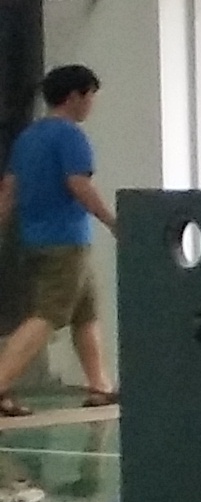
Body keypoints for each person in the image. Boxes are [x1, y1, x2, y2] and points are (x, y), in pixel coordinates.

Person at [0, 67, 117, 414]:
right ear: (75, 96)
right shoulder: (71, 136)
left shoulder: (28, 138)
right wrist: (113, 222)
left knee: (85, 312)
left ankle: (100, 386)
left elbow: (9, 191)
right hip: (66, 241)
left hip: (35, 240)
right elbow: (79, 185)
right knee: (47, 315)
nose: (92, 104)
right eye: (90, 96)